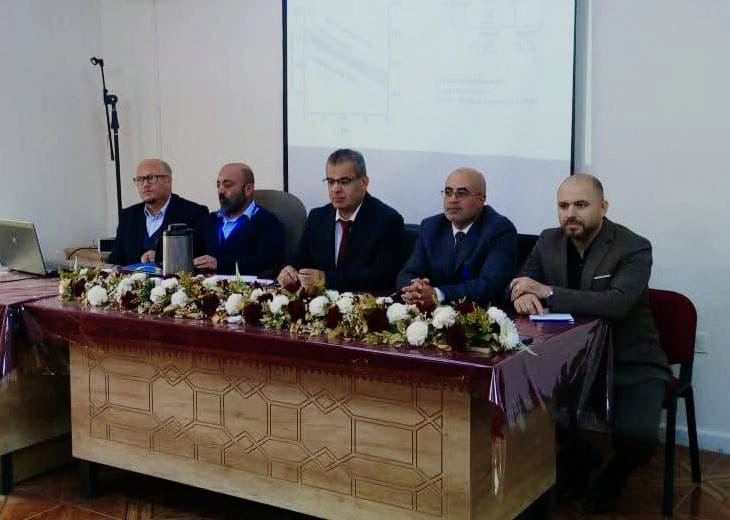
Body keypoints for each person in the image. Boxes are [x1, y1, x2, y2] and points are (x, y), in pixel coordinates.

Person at [510, 174, 671, 513]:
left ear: (603, 207)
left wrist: (547, 291)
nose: (571, 213)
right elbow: (522, 280)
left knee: (638, 436)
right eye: (563, 205)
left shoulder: (633, 247)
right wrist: (520, 293)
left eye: (581, 205)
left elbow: (616, 303)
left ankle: (617, 471)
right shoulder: (548, 240)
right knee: (525, 409)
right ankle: (580, 457)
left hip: (631, 360)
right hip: (571, 359)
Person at [277, 149, 404, 293]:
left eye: (344, 182)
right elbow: (298, 259)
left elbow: (382, 278)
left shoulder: (387, 221)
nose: (335, 189)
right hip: (318, 302)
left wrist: (326, 279)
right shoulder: (317, 217)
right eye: (330, 182)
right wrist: (288, 270)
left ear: (364, 182)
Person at [396, 167, 516, 306]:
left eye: (461, 193)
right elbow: (407, 274)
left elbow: (491, 286)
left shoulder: (499, 229)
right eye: (448, 192)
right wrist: (416, 289)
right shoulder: (431, 227)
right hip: (431, 313)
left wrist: (438, 294)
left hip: (477, 314)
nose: (453, 200)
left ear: (481, 199)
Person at [108, 159, 208, 266]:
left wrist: (160, 258)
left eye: (151, 178)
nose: (145, 184)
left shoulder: (194, 213)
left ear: (168, 181)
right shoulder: (128, 216)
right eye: (140, 179)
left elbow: (198, 257)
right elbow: (116, 260)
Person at [194, 163, 285, 276]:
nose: (220, 191)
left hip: (247, 286)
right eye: (218, 185)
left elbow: (268, 264)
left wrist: (220, 264)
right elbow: (193, 255)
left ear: (248, 189)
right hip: (205, 285)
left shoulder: (267, 222)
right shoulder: (210, 220)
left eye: (227, 185)